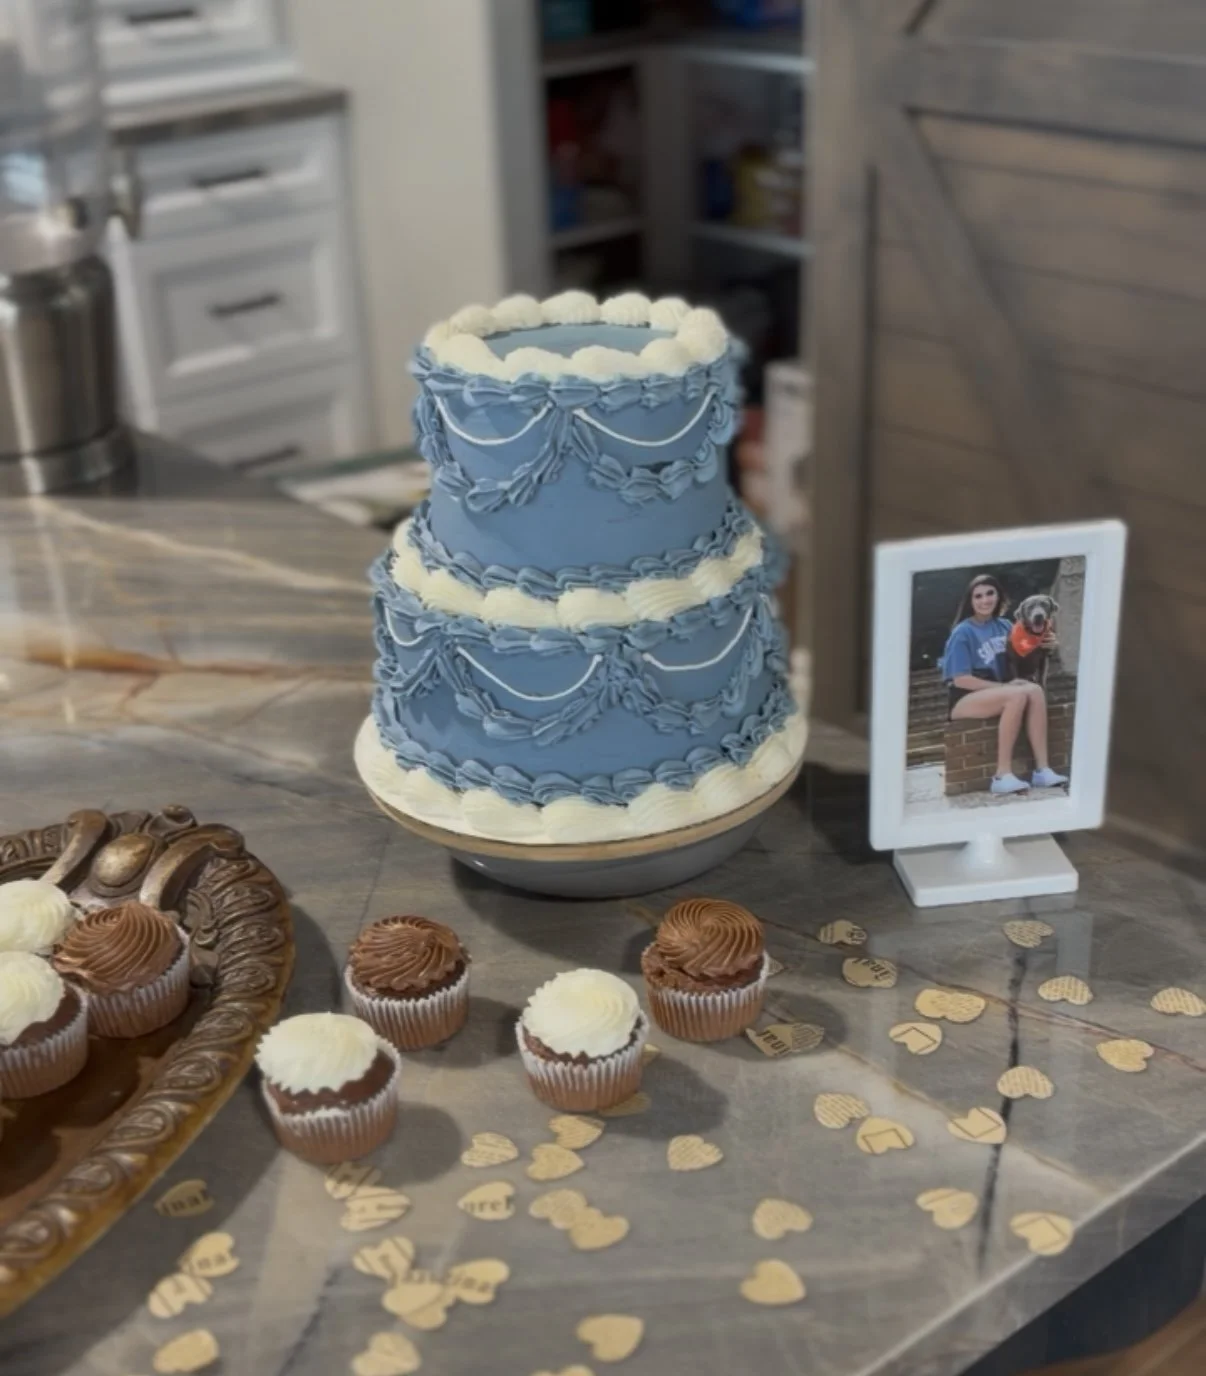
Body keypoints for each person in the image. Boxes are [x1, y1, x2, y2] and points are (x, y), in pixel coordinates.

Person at [941, 572, 1068, 795]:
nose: (985, 600)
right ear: (970, 601)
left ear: (998, 596)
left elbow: (1028, 652)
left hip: (999, 691)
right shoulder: (962, 632)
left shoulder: (1006, 626)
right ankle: (1002, 775)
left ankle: (1042, 770)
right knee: (1016, 695)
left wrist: (1048, 644)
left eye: (990, 593)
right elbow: (960, 679)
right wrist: (1005, 688)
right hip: (964, 697)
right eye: (978, 596)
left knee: (1035, 690)